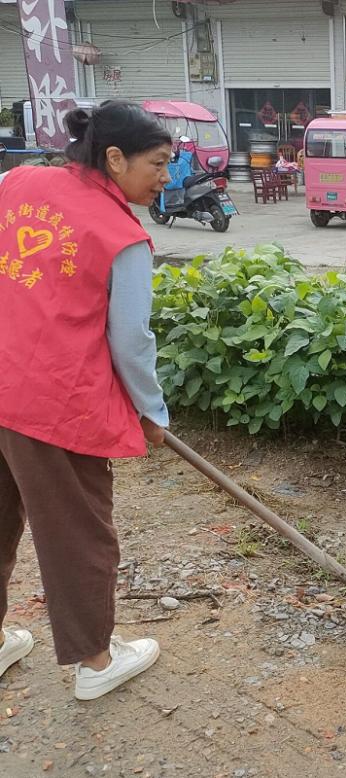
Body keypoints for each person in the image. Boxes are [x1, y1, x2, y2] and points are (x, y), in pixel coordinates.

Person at [0, 101, 173, 698]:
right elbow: (131, 341)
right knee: (77, 532)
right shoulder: (121, 235)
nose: (166, 177)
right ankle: (96, 663)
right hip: (55, 402)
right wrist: (152, 412)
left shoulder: (17, 182)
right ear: (116, 157)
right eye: (157, 163)